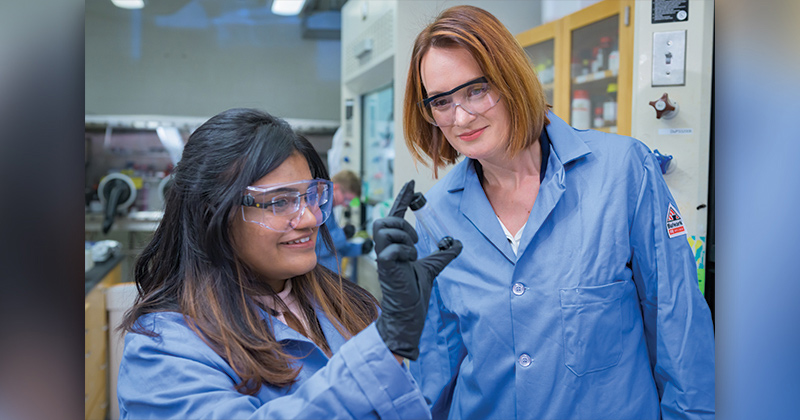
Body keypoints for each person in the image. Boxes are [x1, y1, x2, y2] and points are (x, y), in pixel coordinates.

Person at [401, 6, 714, 420]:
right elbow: (436, 368)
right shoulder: (434, 217)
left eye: (476, 90)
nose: (460, 117)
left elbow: (677, 324)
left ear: (510, 78)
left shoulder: (621, 172)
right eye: (441, 102)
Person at [116, 108, 462, 419]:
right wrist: (385, 346)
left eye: (312, 196)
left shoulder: (349, 306)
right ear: (213, 214)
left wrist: (430, 313)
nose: (311, 217)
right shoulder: (164, 348)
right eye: (280, 202)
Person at [315, 169, 373, 275]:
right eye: (346, 199)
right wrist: (343, 234)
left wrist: (360, 248)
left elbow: (336, 248)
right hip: (319, 279)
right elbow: (317, 248)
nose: (346, 205)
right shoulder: (317, 209)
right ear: (335, 188)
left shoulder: (329, 212)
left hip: (331, 278)